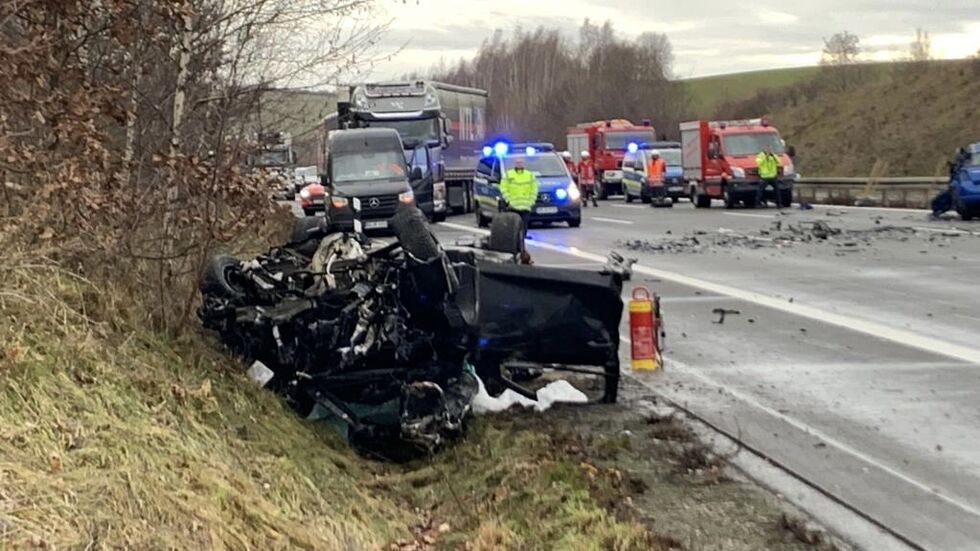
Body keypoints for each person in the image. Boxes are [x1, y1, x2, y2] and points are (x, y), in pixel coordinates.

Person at [500, 157, 539, 263]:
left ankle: (522, 253)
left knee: (523, 232)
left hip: (525, 208)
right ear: (514, 164)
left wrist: (531, 201)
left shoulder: (529, 175)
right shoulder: (509, 175)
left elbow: (534, 189)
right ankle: (518, 252)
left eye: (521, 162)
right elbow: (503, 188)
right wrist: (509, 200)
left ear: (524, 163)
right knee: (514, 233)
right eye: (517, 162)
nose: (519, 164)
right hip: (513, 208)